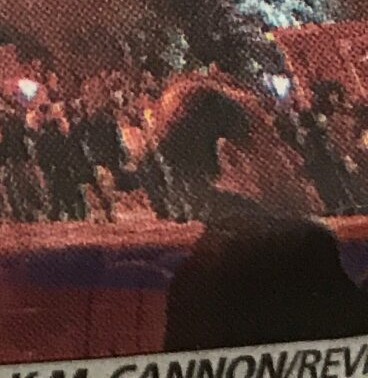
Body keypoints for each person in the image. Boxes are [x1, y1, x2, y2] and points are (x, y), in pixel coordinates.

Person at [156, 76, 368, 351]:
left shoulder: (191, 275)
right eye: (276, 141)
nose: (295, 159)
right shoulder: (298, 249)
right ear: (231, 157)